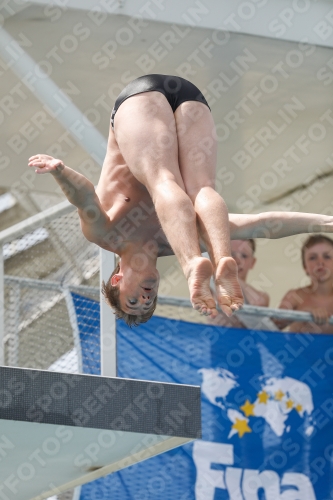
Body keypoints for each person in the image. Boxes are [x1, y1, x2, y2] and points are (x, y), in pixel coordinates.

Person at [28, 74, 333, 327]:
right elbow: (260, 225)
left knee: (163, 180)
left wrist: (61, 172)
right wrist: (325, 223)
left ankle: (193, 269)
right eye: (148, 303)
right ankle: (221, 258)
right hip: (189, 96)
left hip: (139, 100)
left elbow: (84, 198)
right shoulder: (177, 237)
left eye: (132, 300)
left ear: (117, 278)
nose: (144, 299)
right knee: (202, 189)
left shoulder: (104, 233)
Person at [277, 235, 333, 334]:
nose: (320, 262)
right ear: (305, 267)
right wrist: (303, 314)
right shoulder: (294, 297)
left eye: (327, 256)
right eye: (312, 258)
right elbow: (272, 325)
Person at [208, 239, 269, 328]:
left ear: (252, 262)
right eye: (231, 254)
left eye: (244, 256)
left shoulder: (262, 296)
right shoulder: (212, 288)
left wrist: (229, 274)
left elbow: (258, 303)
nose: (237, 261)